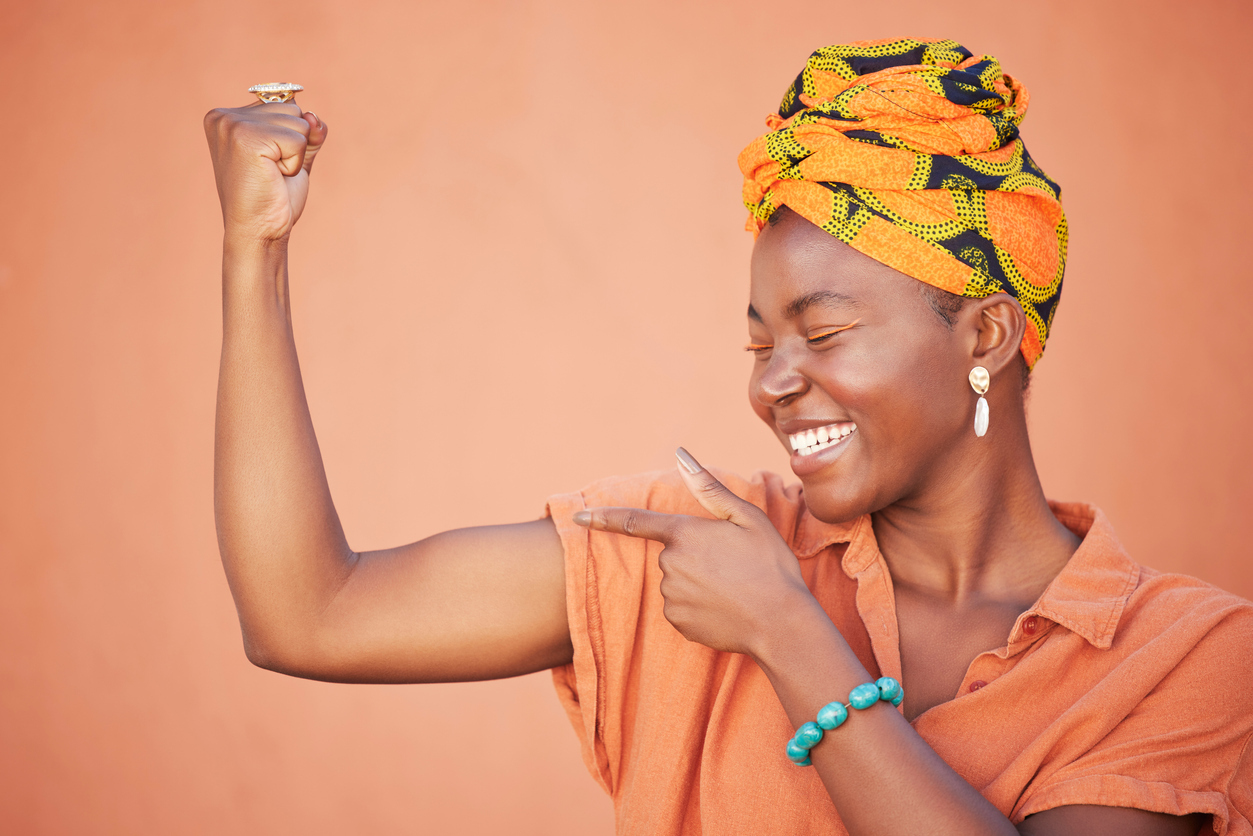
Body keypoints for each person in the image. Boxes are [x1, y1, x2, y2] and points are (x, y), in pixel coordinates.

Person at [203, 38, 1252, 836]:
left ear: (983, 331)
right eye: (756, 342)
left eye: (824, 330)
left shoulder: (1179, 654)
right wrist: (255, 252)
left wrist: (789, 636)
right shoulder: (693, 551)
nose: (772, 381)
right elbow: (310, 612)